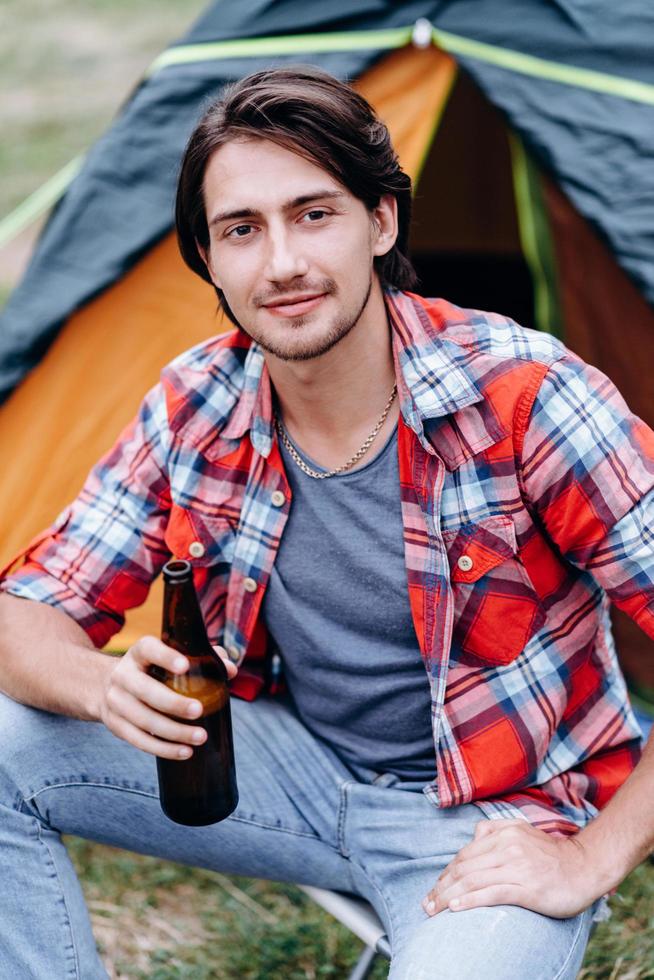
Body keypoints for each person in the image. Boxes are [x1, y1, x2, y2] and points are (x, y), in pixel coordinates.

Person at [0, 65, 653, 980]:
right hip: (296, 773)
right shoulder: (197, 400)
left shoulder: (525, 396)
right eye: (241, 230)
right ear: (207, 259)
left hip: (494, 818)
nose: (282, 264)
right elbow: (24, 609)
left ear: (381, 222)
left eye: (314, 214)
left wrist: (593, 857)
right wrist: (97, 688)